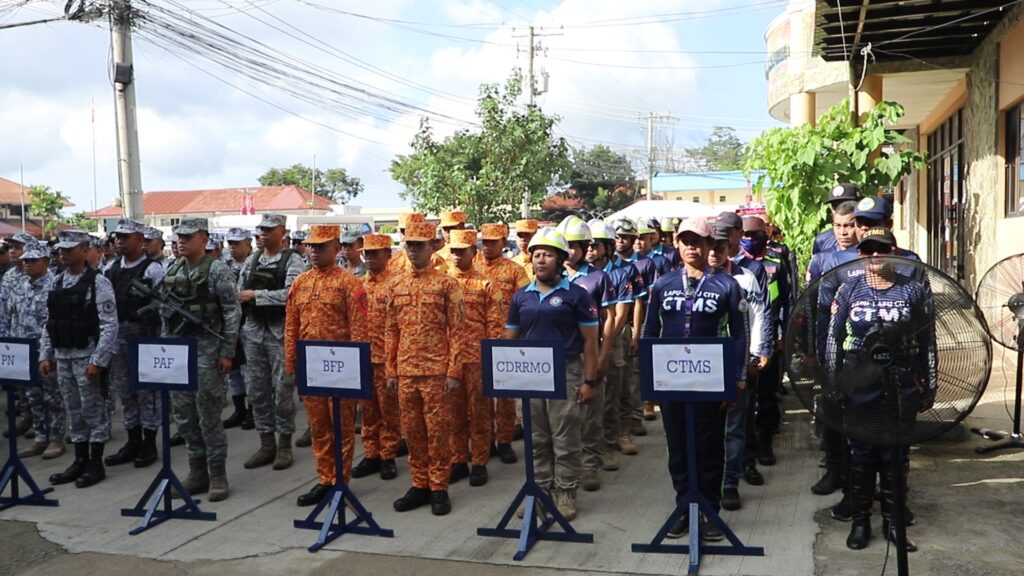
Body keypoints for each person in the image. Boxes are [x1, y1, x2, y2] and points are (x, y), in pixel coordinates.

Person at [824, 227, 935, 552]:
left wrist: (930, 381)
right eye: (869, 250)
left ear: (895, 253)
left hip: (901, 385)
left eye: (882, 249)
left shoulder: (912, 291)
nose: (876, 256)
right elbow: (834, 338)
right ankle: (861, 522)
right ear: (861, 256)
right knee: (862, 454)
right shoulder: (848, 290)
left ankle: (893, 523)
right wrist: (835, 382)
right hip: (860, 383)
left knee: (896, 456)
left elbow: (928, 339)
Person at [643, 218, 747, 542]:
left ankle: (710, 511)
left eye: (698, 241)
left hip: (710, 379)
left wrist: (737, 379)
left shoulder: (728, 285)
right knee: (678, 447)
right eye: (685, 240)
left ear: (709, 245)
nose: (691, 246)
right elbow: (650, 332)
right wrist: (650, 382)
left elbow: (740, 333)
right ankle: (683, 507)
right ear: (676, 243)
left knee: (709, 447)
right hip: (672, 380)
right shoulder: (662, 284)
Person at [506, 227, 600, 520]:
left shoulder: (577, 295)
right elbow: (510, 338)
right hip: (530, 373)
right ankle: (539, 489)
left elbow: (589, 341)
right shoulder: (522, 296)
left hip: (567, 370)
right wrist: (505, 375)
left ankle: (566, 491)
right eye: (536, 255)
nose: (541, 260)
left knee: (565, 436)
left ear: (561, 259)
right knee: (536, 438)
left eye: (548, 254)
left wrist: (589, 381)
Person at [284, 225, 369, 506]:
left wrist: (358, 368)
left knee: (341, 427)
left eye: (321, 247)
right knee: (318, 427)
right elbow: (291, 325)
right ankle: (324, 479)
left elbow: (359, 328)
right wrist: (291, 363)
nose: (315, 252)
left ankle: (341, 482)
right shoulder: (301, 283)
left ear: (335, 247)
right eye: (311, 246)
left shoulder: (349, 283)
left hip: (342, 367)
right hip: (312, 367)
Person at [386, 221, 466, 516]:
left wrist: (454, 370)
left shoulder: (447, 284)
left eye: (420, 245)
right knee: (413, 433)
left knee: (438, 431)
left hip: (436, 371)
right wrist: (391, 370)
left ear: (433, 247)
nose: (414, 250)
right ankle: (419, 484)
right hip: (406, 371)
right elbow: (390, 331)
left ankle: (439, 486)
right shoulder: (395, 284)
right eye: (410, 245)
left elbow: (458, 331)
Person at [161, 218, 240, 501]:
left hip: (207, 351)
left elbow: (232, 313)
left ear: (203, 239)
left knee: (208, 414)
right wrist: (165, 351)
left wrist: (227, 352)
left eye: (188, 236)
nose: (181, 241)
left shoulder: (217, 270)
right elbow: (165, 314)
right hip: (178, 352)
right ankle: (197, 472)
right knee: (184, 415)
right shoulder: (173, 269)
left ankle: (217, 473)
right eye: (179, 236)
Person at [40, 230, 119, 488]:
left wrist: (98, 360)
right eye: (61, 249)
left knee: (93, 411)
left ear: (85, 250)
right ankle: (79, 460)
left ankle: (95, 463)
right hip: (63, 357)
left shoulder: (98, 282)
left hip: (87, 357)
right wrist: (46, 354)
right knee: (74, 411)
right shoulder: (57, 281)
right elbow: (50, 323)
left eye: (70, 249)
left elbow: (109, 325)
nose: (63, 253)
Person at [237, 213, 307, 471]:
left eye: (269, 229)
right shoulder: (252, 259)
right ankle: (266, 443)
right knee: (256, 390)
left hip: (280, 333)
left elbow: (292, 294)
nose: (263, 234)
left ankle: (284, 444)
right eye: (261, 229)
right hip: (254, 332)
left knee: (283, 392)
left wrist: (258, 294)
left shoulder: (293, 260)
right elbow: (239, 292)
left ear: (283, 231)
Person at [707, 224, 769, 511]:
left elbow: (758, 317)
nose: (714, 252)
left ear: (729, 247)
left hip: (735, 363)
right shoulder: (689, 280)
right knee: (705, 429)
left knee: (734, 427)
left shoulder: (746, 279)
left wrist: (755, 355)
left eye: (720, 246)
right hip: (701, 367)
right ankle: (706, 483)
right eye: (709, 245)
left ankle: (730, 484)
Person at [557, 217, 616, 492]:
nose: (569, 251)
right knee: (565, 417)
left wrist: (604, 356)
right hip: (562, 355)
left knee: (591, 412)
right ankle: (566, 468)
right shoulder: (551, 279)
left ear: (584, 246)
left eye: (574, 245)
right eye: (565, 245)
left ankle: (590, 463)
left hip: (589, 353)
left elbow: (610, 318)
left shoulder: (597, 278)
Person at [103, 219, 166, 469]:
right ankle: (132, 440)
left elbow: (162, 308)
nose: (119, 241)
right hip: (117, 336)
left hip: (144, 337)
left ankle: (149, 442)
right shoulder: (110, 268)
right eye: (117, 236)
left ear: (140, 240)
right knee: (125, 391)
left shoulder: (153, 270)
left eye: (125, 237)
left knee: (147, 393)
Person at [447, 228, 504, 487]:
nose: (457, 256)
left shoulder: (486, 285)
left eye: (462, 251)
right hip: (448, 360)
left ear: (474, 252)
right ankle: (459, 459)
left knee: (480, 413)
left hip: (477, 359)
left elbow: (495, 325)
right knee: (453, 414)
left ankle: (480, 461)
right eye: (454, 251)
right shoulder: (442, 282)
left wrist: (492, 358)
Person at [585, 219, 638, 472]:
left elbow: (619, 312)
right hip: (587, 341)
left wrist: (606, 340)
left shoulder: (621, 272)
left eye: (596, 246)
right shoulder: (580, 273)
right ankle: (592, 446)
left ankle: (613, 439)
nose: (591, 250)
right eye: (588, 246)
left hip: (613, 337)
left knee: (615, 390)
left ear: (607, 247)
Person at [476, 222, 530, 464]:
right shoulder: (472, 266)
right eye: (484, 241)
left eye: (492, 242)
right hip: (475, 341)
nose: (487, 246)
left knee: (505, 396)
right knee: (481, 397)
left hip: (505, 340)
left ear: (503, 243)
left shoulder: (515, 270)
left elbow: (526, 304)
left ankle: (505, 440)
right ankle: (484, 442)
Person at [740, 216, 792, 467]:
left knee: (767, 394)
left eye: (755, 234)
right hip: (745, 335)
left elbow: (786, 300)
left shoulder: (776, 261)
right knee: (745, 398)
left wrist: (783, 333)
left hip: (771, 335)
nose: (750, 239)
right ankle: (747, 447)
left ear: (766, 233)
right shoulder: (735, 263)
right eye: (746, 235)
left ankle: (766, 443)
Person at [351, 234, 401, 481]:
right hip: (362, 357)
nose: (369, 258)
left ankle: (388, 455)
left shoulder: (397, 284)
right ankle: (371, 454)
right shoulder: (357, 285)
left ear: (388, 255)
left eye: (375, 253)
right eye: (366, 254)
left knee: (389, 410)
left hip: (387, 358)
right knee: (368, 410)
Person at [11, 243, 66, 460]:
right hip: (24, 350)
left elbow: (55, 322)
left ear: (46, 261)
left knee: (52, 397)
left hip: (46, 350)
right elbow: (14, 316)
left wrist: (49, 353)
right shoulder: (21, 285)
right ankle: (41, 437)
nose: (28, 264)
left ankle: (56, 439)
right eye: (26, 260)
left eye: (33, 260)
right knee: (33, 397)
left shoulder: (55, 285)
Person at [610, 218, 652, 451]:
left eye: (624, 237)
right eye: (616, 237)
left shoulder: (635, 267)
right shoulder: (596, 270)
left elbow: (638, 302)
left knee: (628, 378)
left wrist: (636, 332)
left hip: (625, 327)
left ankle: (630, 423)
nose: (620, 241)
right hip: (598, 332)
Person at [223, 227, 254, 430]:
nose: (233, 247)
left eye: (237, 243)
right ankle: (239, 409)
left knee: (249, 370)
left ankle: (253, 410)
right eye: (230, 243)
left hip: (249, 322)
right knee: (232, 370)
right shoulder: (223, 266)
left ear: (248, 244)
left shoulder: (255, 265)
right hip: (227, 325)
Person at [807, 201, 859, 284]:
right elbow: (812, 295)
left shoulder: (871, 256)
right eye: (837, 226)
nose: (842, 232)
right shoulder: (820, 260)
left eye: (849, 226)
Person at [813, 183, 862, 255]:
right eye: (835, 206)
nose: (841, 209)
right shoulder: (821, 241)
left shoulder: (873, 237)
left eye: (846, 205)